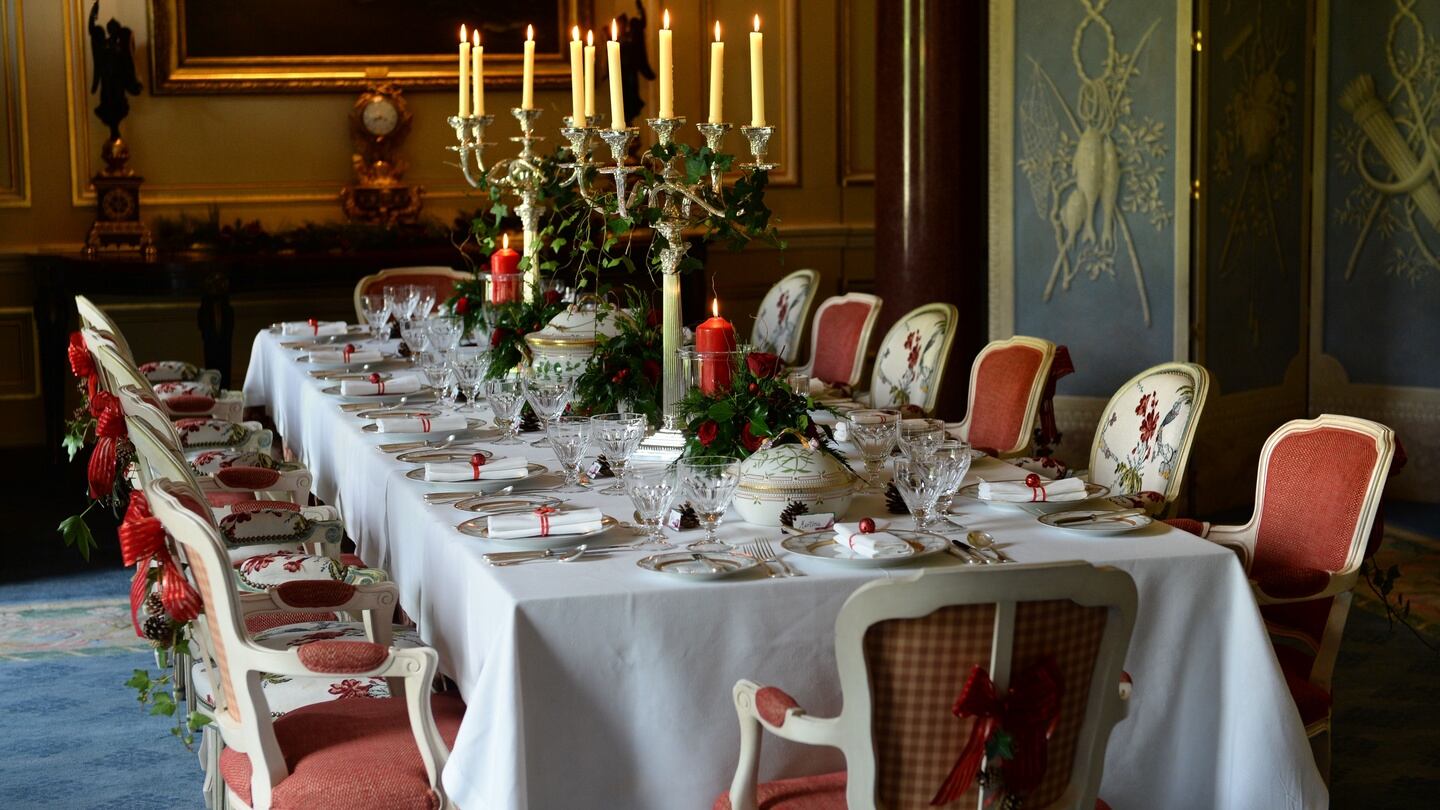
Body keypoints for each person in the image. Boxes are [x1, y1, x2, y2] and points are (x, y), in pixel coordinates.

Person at [88, 0, 142, 140]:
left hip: (117, 81)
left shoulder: (120, 45)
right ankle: (113, 130)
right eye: (110, 28)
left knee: (116, 102)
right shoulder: (103, 43)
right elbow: (92, 30)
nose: (111, 31)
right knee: (107, 100)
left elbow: (128, 61)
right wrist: (94, 13)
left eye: (113, 28)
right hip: (107, 80)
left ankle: (115, 131)